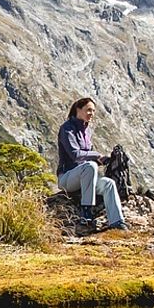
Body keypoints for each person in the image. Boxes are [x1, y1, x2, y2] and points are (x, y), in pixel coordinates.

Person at [56, 97, 126, 231]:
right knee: (90, 166)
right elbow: (75, 155)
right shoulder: (66, 129)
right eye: (88, 110)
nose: (91, 114)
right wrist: (96, 155)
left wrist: (101, 160)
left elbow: (87, 158)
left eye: (93, 111)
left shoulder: (87, 131)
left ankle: (117, 221)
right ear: (78, 109)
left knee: (109, 184)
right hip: (67, 178)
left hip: (84, 177)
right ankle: (86, 213)